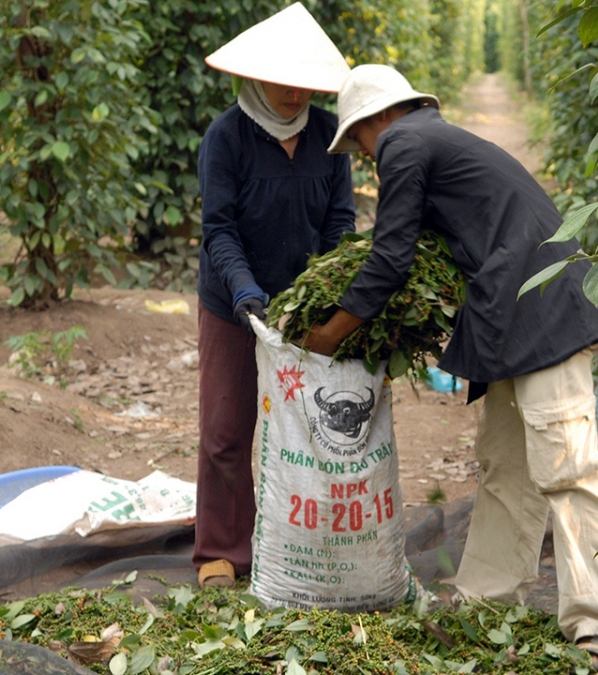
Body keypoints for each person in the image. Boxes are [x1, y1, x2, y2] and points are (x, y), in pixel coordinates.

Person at [302, 64, 598, 667]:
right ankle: (488, 602)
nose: (364, 153)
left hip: (546, 311)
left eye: (360, 140)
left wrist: (330, 332)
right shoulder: (434, 140)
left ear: (380, 118)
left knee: (567, 464)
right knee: (505, 464)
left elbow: (392, 256)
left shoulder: (404, 142)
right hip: (514, 310)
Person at [193, 3, 355, 590]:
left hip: (305, 306)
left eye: (304, 82)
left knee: (316, 426)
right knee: (225, 430)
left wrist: (331, 289)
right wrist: (245, 295)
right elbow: (220, 229)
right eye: (282, 80)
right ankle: (222, 550)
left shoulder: (326, 134)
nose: (294, 93)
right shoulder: (226, 138)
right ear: (256, 76)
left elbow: (340, 220)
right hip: (232, 304)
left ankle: (305, 540)